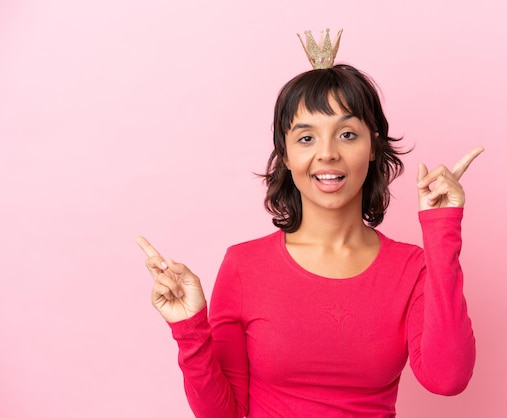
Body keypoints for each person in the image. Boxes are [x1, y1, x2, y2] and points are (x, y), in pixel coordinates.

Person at [137, 31, 482, 418]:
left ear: (372, 147)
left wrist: (441, 229)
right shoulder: (243, 265)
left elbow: (447, 379)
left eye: (347, 134)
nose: (327, 153)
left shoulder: (412, 268)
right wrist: (190, 330)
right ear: (285, 155)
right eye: (306, 138)